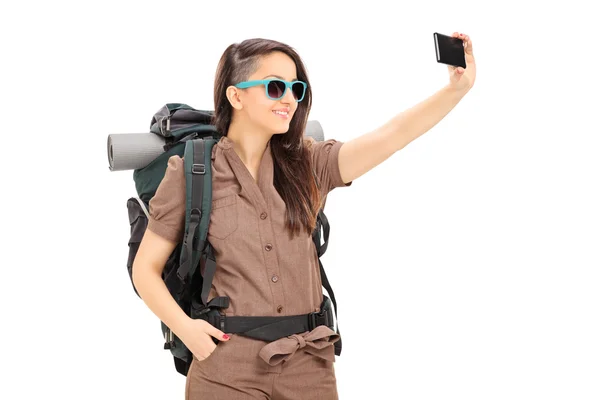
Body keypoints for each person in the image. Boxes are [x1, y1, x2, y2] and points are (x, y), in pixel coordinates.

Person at [132, 33, 476, 400]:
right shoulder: (192, 173)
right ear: (236, 96)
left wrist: (455, 91)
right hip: (225, 366)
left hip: (309, 365)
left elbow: (390, 136)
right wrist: (186, 329)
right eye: (275, 87)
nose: (290, 100)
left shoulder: (309, 164)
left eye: (296, 88)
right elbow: (145, 270)